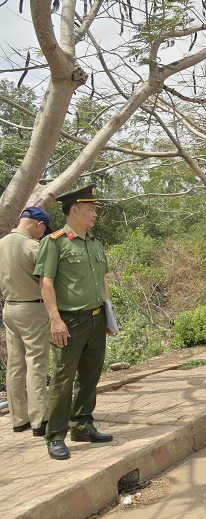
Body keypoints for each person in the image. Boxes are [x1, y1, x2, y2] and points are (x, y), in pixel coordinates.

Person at [33, 185, 115, 460]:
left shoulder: (95, 242)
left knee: (90, 376)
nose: (95, 214)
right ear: (74, 210)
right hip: (69, 321)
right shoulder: (55, 242)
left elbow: (103, 280)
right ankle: (56, 435)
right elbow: (46, 283)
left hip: (96, 319)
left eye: (95, 209)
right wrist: (55, 320)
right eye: (90, 209)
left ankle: (82, 426)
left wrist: (109, 314)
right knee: (62, 379)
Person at [0, 206, 51, 436]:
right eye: (43, 230)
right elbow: (49, 280)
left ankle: (19, 419)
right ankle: (40, 419)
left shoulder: (1, 244)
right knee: (36, 363)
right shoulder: (33, 247)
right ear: (38, 225)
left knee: (15, 364)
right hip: (32, 309)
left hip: (9, 308)